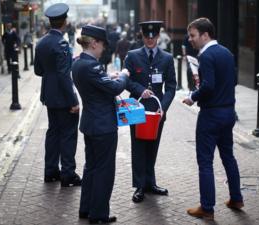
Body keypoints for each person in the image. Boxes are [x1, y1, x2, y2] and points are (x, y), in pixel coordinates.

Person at [182, 17, 244, 220]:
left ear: (205, 35)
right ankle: (236, 198)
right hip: (228, 113)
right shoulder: (226, 53)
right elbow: (232, 80)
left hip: (211, 115)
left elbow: (208, 86)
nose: (190, 39)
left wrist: (192, 96)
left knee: (205, 162)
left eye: (192, 35)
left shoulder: (207, 55)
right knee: (228, 157)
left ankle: (207, 207)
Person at [72, 24, 129, 224]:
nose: (104, 48)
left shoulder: (79, 63)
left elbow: (98, 83)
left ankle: (86, 208)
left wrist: (108, 76)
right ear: (94, 43)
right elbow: (114, 88)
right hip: (103, 126)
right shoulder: (92, 66)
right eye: (103, 44)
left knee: (91, 168)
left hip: (90, 123)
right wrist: (123, 75)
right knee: (104, 171)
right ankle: (99, 214)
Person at [124, 21, 176, 203]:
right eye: (147, 37)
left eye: (153, 37)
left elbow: (171, 86)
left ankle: (150, 183)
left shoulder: (167, 58)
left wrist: (163, 107)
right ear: (142, 36)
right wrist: (140, 90)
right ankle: (139, 186)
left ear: (158, 36)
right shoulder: (132, 56)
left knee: (153, 147)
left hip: (157, 111)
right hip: (137, 110)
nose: (150, 40)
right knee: (138, 147)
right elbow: (126, 81)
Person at [34, 3, 82, 187]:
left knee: (53, 133)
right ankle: (68, 174)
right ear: (64, 22)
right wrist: (74, 101)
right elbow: (63, 75)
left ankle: (51, 171)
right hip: (63, 97)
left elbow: (39, 70)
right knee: (68, 134)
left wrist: (51, 71)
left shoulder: (42, 42)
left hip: (49, 96)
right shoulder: (61, 43)